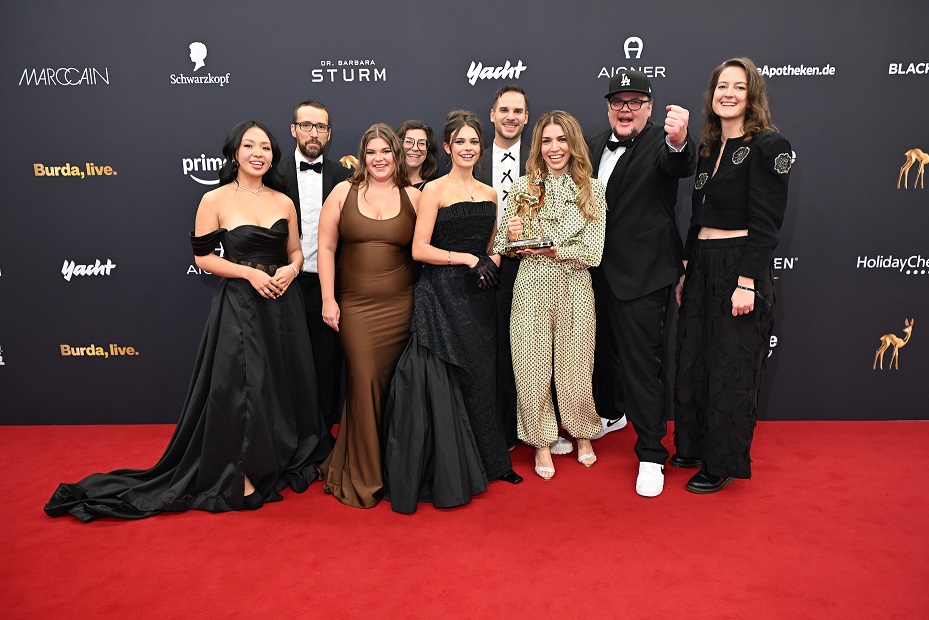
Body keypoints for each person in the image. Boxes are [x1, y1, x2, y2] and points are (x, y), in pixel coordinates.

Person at [44, 121, 332, 521]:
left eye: (265, 147)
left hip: (282, 306)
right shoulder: (214, 198)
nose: (258, 153)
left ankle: (270, 458)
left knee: (277, 384)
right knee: (241, 387)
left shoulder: (283, 201)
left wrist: (291, 269)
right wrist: (249, 274)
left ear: (274, 155)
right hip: (241, 305)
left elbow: (296, 250)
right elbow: (203, 258)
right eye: (249, 145)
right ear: (235, 153)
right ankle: (237, 471)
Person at [384, 110, 522, 514]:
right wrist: (465, 259)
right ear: (446, 147)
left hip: (479, 294)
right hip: (440, 294)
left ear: (482, 148)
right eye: (460, 141)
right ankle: (455, 466)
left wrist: (494, 259)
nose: (467, 148)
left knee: (483, 374)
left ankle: (494, 462)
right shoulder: (434, 190)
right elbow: (419, 249)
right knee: (451, 377)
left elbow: (493, 246)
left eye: (474, 142)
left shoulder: (490, 193)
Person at [673, 57, 792, 494]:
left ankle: (722, 461)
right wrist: (687, 269)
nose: (728, 94)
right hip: (702, 263)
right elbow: (696, 218)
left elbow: (767, 224)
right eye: (722, 86)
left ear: (752, 95)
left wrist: (747, 281)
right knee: (694, 358)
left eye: (739, 87)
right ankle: (694, 445)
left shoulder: (769, 146)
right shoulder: (709, 149)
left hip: (738, 263)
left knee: (731, 366)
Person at [586, 70, 697, 497]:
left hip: (645, 273)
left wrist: (678, 140)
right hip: (593, 271)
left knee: (643, 365)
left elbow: (679, 162)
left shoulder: (661, 142)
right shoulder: (593, 144)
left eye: (635, 102)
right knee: (602, 353)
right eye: (618, 101)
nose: (626, 109)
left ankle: (651, 453)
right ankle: (612, 412)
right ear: (608, 107)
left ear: (650, 108)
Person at [494, 111, 606, 480]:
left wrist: (556, 250)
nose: (554, 148)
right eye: (546, 141)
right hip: (531, 286)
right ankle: (541, 442)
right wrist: (511, 235)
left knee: (578, 367)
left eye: (561, 140)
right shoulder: (521, 188)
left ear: (574, 144)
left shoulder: (593, 189)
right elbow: (502, 246)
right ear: (537, 146)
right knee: (531, 367)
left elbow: (593, 252)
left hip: (576, 287)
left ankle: (583, 433)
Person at [316, 123, 421, 508]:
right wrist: (328, 299)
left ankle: (390, 467)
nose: (379, 159)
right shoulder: (343, 192)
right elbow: (326, 248)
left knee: (392, 390)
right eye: (371, 152)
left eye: (386, 151)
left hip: (402, 307)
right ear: (363, 155)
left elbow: (429, 246)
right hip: (355, 307)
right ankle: (364, 476)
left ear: (397, 154)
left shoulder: (414, 196)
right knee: (364, 382)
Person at [279, 101, 352, 431]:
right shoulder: (273, 176)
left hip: (329, 285)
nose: (313, 133)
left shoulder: (345, 178)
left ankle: (323, 435)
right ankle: (288, 433)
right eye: (306, 125)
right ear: (293, 129)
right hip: (284, 283)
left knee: (327, 363)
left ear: (329, 134)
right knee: (286, 361)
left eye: (320, 127)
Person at [397, 119, 438, 190]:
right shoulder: (384, 183)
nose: (415, 148)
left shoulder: (436, 187)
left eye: (421, 143)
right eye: (409, 142)